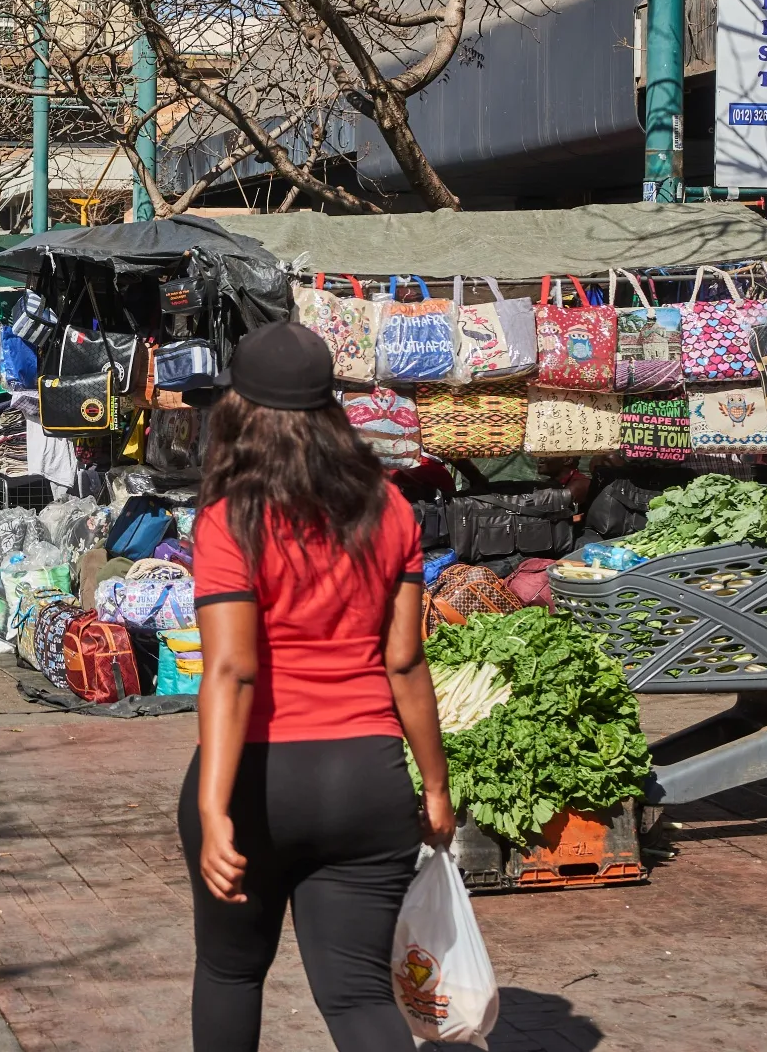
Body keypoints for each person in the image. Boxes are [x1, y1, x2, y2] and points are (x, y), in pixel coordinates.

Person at [180, 320, 451, 1052]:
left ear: (238, 412)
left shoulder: (228, 518)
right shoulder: (388, 508)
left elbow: (232, 670)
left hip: (261, 779)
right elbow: (405, 662)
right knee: (360, 994)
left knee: (232, 973)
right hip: (367, 780)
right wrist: (434, 785)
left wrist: (213, 808)